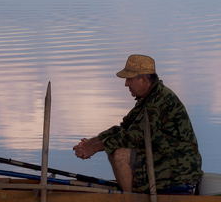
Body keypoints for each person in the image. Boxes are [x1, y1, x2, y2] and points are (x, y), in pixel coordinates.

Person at [72, 54, 202, 193]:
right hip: (162, 157)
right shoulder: (148, 98)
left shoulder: (159, 101)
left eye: (129, 79)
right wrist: (92, 143)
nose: (126, 84)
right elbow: (124, 128)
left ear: (144, 80)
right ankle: (131, 196)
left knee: (120, 154)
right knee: (114, 149)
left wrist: (95, 148)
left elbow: (133, 136)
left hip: (179, 169)